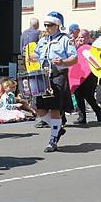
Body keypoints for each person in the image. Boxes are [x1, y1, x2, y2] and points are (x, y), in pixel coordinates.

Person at [31, 11, 77, 152]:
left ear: (57, 25)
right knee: (38, 108)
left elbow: (74, 58)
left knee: (55, 107)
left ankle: (52, 140)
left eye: (50, 25)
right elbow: (36, 54)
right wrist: (32, 56)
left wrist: (63, 61)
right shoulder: (43, 39)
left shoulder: (65, 40)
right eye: (45, 25)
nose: (47, 27)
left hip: (58, 75)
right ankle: (57, 129)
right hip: (43, 76)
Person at [72, 29, 101, 125]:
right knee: (78, 95)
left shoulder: (91, 48)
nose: (80, 39)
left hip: (90, 75)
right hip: (78, 75)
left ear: (88, 38)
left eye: (83, 37)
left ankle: (98, 113)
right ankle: (82, 117)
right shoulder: (75, 48)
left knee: (89, 96)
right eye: (79, 37)